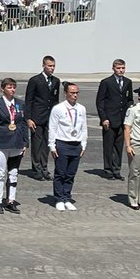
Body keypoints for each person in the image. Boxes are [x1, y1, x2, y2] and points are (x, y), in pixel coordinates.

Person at [0, 77, 29, 214]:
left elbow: (23, 124)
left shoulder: (20, 104)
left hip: (16, 143)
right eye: (9, 87)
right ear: (3, 89)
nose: (12, 90)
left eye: (14, 87)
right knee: (0, 173)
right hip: (1, 143)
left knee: (14, 173)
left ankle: (10, 200)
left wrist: (25, 142)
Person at [48, 82, 87, 211]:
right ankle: (59, 198)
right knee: (61, 172)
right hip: (62, 143)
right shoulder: (58, 108)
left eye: (76, 93)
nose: (75, 95)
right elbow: (52, 128)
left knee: (71, 173)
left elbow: (84, 128)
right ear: (66, 94)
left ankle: (67, 196)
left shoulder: (81, 109)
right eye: (72, 93)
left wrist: (83, 144)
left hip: (76, 144)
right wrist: (52, 146)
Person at [95, 59, 133, 180]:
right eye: (118, 68)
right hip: (110, 119)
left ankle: (117, 169)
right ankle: (108, 170)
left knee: (119, 146)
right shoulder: (106, 82)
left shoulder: (128, 82)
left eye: (123, 68)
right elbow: (100, 101)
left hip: (122, 119)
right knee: (108, 145)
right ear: (113, 68)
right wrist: (104, 118)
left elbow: (129, 99)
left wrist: (130, 111)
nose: (121, 70)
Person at [24, 55, 60, 181]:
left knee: (47, 143)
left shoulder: (56, 81)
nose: (52, 68)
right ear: (43, 65)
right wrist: (28, 118)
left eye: (53, 66)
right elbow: (28, 100)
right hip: (37, 117)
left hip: (50, 118)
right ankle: (36, 169)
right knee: (37, 144)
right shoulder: (35, 80)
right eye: (49, 66)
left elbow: (55, 100)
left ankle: (44, 167)